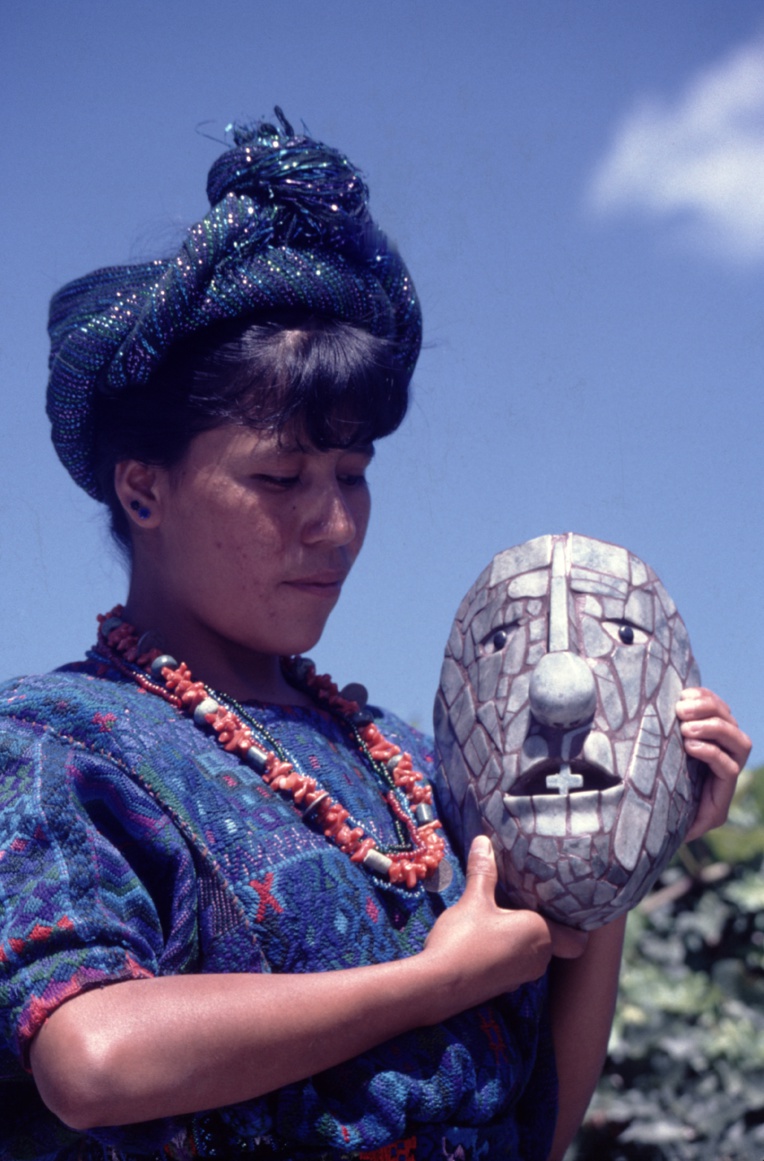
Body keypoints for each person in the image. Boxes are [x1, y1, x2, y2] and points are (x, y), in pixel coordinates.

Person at [0, 112, 750, 1161]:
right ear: (143, 488)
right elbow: (93, 1060)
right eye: (278, 478)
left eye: (352, 476)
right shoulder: (60, 745)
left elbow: (539, 1125)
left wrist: (619, 844)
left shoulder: (410, 765)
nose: (333, 522)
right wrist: (434, 982)